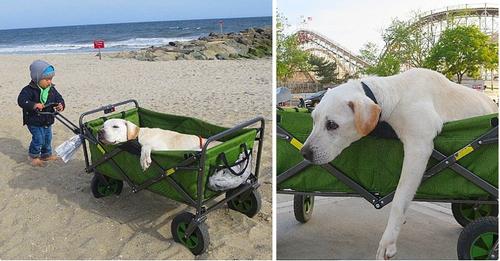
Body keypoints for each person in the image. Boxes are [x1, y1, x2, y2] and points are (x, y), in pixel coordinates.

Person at [17, 60, 65, 166]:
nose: (49, 82)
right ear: (37, 78)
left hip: (47, 119)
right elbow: (21, 100)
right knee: (39, 139)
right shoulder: (28, 90)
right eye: (47, 79)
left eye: (51, 79)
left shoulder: (51, 89)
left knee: (47, 138)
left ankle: (46, 154)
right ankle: (33, 156)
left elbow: (59, 98)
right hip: (34, 120)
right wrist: (34, 105)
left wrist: (60, 105)